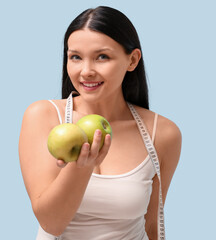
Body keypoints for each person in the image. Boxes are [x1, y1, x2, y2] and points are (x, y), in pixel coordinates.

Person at [19, 6, 181, 240]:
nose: (86, 71)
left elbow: (153, 225)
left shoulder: (162, 133)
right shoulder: (43, 116)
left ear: (132, 60)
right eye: (75, 57)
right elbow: (51, 223)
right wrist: (81, 168)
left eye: (102, 57)